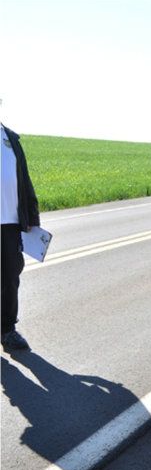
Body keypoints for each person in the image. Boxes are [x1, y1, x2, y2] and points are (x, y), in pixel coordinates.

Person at [1, 124, 40, 352]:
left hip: (10, 222)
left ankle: (7, 330)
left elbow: (24, 179)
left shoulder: (11, 139)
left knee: (10, 278)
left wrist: (32, 215)